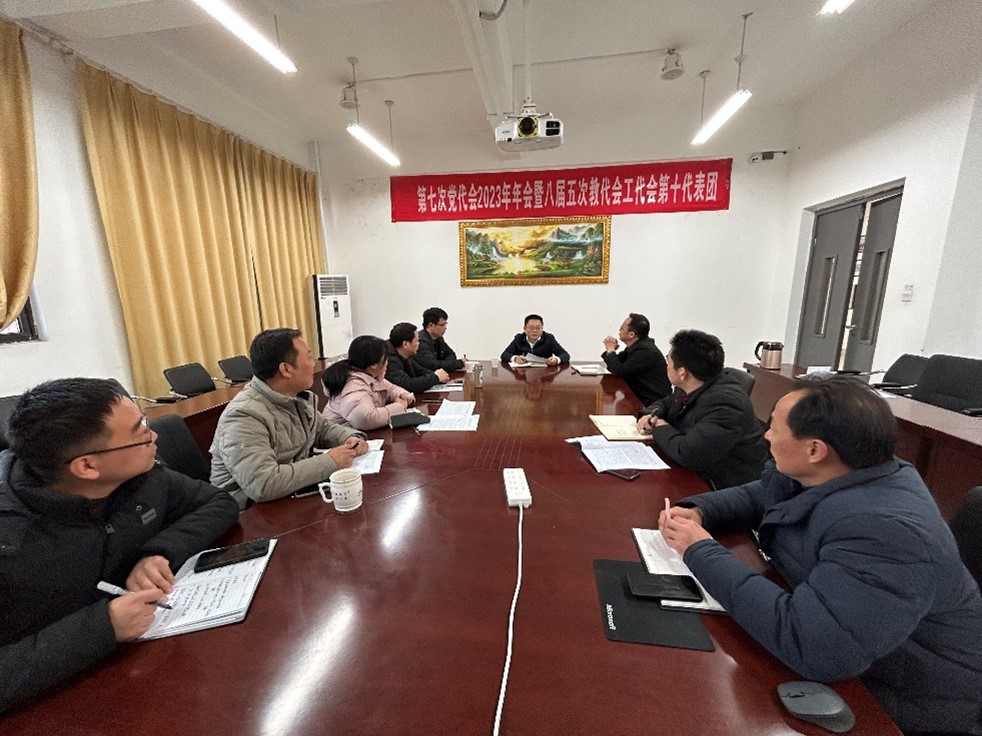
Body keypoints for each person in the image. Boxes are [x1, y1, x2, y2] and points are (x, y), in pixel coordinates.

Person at [660, 377, 982, 735]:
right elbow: (764, 495)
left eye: (775, 428)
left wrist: (699, 550)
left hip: (902, 699)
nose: (766, 435)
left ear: (815, 449)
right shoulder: (840, 469)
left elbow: (813, 646)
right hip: (851, 649)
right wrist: (701, 511)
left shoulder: (888, 533)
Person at [0, 378, 239, 714]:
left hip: (148, 671)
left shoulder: (140, 477)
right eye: (140, 431)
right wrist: (103, 626)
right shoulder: (11, 536)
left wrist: (157, 552)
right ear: (87, 466)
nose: (154, 436)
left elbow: (218, 502)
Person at [210, 328, 367, 509]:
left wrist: (350, 437)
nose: (313, 364)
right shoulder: (243, 416)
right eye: (309, 357)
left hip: (289, 496)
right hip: (248, 513)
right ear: (285, 369)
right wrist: (330, 462)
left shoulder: (294, 397)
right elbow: (264, 484)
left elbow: (322, 428)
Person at [637, 329, 766, 489]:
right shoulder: (693, 383)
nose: (666, 365)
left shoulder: (726, 404)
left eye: (668, 360)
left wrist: (659, 426)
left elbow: (687, 453)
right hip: (696, 470)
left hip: (723, 485)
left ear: (682, 373)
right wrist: (651, 414)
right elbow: (667, 403)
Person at [323, 335, 415, 430]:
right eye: (385, 358)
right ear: (374, 364)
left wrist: (403, 395)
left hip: (357, 434)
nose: (387, 362)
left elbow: (391, 389)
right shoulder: (353, 384)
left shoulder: (372, 376)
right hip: (340, 436)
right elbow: (366, 419)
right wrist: (400, 406)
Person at [601, 313, 671, 405]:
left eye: (622, 328)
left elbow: (619, 371)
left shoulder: (645, 351)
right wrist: (611, 351)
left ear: (631, 334)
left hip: (654, 403)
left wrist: (611, 350)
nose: (619, 330)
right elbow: (614, 366)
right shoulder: (637, 347)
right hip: (641, 398)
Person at [385, 322, 450, 393]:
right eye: (417, 341)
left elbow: (421, 371)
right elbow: (408, 385)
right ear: (405, 344)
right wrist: (436, 377)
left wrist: (438, 375)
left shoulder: (406, 356)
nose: (419, 344)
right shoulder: (390, 360)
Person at [500, 314, 570, 365]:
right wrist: (515, 358)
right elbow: (504, 355)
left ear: (542, 328)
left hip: (544, 375)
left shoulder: (549, 338)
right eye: (531, 328)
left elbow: (565, 355)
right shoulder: (519, 338)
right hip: (523, 375)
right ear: (524, 328)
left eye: (538, 328)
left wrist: (556, 360)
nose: (534, 331)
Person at [416, 307, 466, 372]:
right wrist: (460, 363)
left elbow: (451, 354)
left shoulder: (438, 338)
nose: (445, 328)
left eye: (445, 324)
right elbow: (433, 366)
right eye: (442, 325)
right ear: (431, 325)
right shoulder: (420, 341)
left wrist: (444, 364)